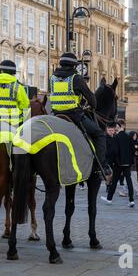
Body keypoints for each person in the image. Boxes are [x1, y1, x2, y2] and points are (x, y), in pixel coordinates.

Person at [49, 52, 112, 182]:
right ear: (73, 66)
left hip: (55, 114)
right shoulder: (76, 78)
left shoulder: (52, 78)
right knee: (99, 134)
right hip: (74, 115)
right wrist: (91, 104)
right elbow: (92, 99)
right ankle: (100, 167)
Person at [101, 120, 136, 207]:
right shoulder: (129, 137)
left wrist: (112, 162)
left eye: (116, 128)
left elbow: (114, 151)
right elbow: (132, 150)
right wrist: (130, 161)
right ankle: (131, 200)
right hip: (127, 163)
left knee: (114, 181)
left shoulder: (116, 138)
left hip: (118, 163)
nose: (115, 129)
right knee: (129, 181)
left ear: (119, 127)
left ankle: (109, 199)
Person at [0, 60, 30, 127]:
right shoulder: (18, 87)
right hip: (14, 124)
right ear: (13, 73)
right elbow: (25, 106)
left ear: (1, 71)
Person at [130, 131, 138, 197]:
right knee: (133, 176)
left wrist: (137, 149)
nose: (135, 137)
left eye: (136, 136)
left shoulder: (137, 143)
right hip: (129, 162)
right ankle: (137, 190)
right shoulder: (128, 143)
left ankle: (125, 189)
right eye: (134, 136)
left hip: (135, 162)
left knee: (133, 176)